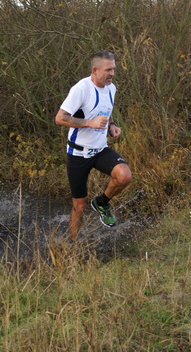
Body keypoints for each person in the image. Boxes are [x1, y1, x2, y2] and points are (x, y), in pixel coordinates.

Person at [54, 50, 132, 241]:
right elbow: (59, 118)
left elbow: (106, 110)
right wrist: (90, 122)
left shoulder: (111, 88)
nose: (112, 74)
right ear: (95, 70)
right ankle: (73, 245)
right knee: (79, 206)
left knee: (124, 176)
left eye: (113, 69)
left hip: (100, 150)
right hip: (78, 153)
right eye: (108, 70)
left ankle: (102, 203)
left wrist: (112, 126)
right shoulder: (81, 89)